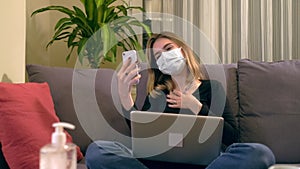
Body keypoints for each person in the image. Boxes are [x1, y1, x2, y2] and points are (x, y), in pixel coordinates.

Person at [85, 32, 275, 169]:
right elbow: (139, 136)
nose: (165, 56)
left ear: (182, 51)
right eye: (158, 56)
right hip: (156, 164)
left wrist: (196, 106)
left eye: (168, 49)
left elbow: (232, 138)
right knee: (97, 150)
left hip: (206, 165)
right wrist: (124, 95)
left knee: (259, 153)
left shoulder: (212, 88)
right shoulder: (156, 95)